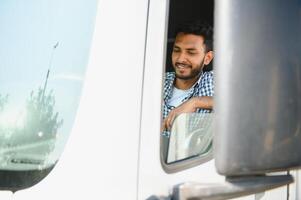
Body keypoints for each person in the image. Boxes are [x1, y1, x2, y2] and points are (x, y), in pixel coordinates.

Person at [162, 20, 214, 132]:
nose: (180, 59)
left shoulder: (214, 82)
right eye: (177, 50)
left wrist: (196, 102)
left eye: (191, 52)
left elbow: (245, 102)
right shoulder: (157, 81)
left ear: (207, 58)